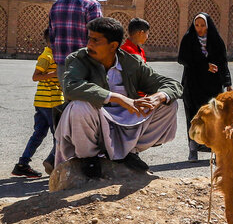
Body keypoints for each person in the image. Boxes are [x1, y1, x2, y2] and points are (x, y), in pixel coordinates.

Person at [55, 17, 182, 179]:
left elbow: (172, 84)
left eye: (95, 40)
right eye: (89, 38)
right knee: (80, 106)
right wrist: (118, 98)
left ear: (113, 46)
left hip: (124, 123)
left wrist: (158, 97)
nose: (89, 44)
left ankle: (129, 152)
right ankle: (88, 158)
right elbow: (71, 87)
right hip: (94, 121)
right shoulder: (79, 59)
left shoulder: (131, 62)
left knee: (168, 104)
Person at [178, 13, 232, 162]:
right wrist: (204, 65)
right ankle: (193, 149)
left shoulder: (216, 40)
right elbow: (182, 58)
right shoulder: (189, 38)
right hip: (192, 85)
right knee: (194, 117)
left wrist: (227, 83)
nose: (200, 29)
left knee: (213, 118)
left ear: (208, 26)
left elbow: (223, 63)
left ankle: (215, 150)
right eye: (197, 25)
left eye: (203, 25)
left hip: (212, 87)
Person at [12, 28, 63, 178]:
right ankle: (54, 163)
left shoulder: (53, 55)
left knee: (39, 133)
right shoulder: (47, 56)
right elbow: (35, 77)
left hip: (43, 101)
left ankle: (22, 164)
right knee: (59, 135)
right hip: (51, 101)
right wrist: (54, 74)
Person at [48, 0, 102, 81]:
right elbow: (99, 39)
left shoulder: (56, 5)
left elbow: (51, 39)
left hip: (62, 69)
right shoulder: (92, 5)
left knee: (69, 100)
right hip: (86, 69)